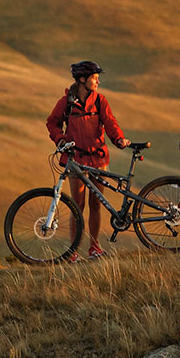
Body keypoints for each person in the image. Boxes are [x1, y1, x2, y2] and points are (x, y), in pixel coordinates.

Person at [46, 60, 129, 261]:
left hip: (98, 159)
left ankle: (94, 247)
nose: (98, 81)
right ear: (82, 79)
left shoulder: (100, 101)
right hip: (76, 159)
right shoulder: (65, 102)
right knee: (78, 205)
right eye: (94, 78)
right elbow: (53, 123)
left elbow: (110, 123)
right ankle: (73, 252)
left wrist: (118, 138)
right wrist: (60, 139)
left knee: (96, 203)